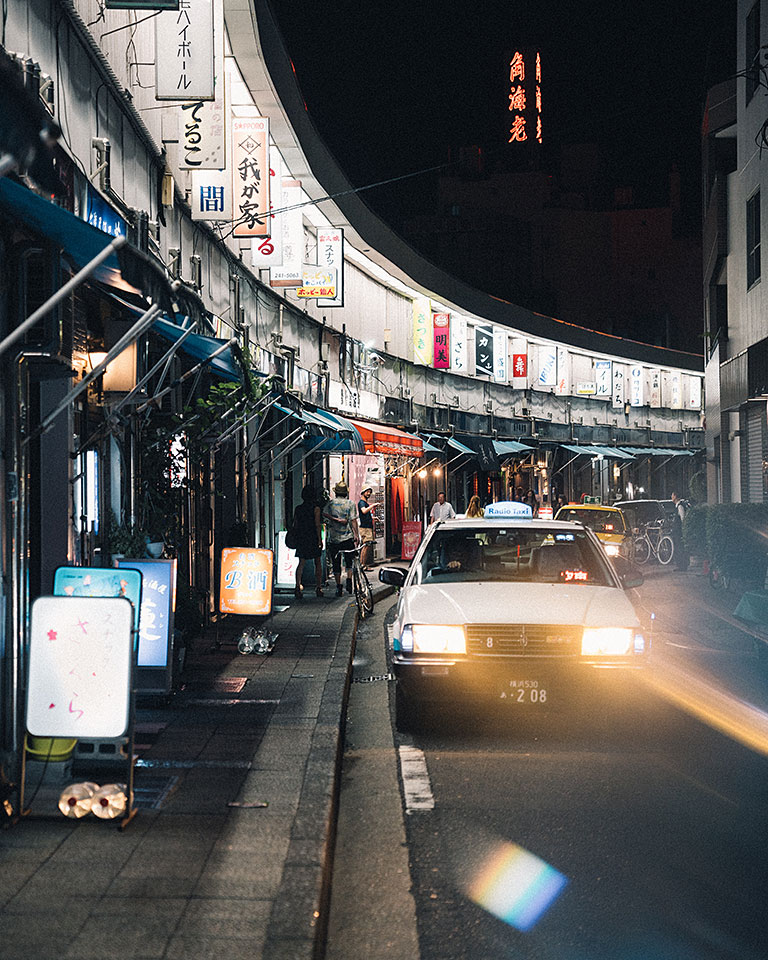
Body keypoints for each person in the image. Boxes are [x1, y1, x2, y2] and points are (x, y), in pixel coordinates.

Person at [323, 481, 360, 597]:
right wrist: (356, 535)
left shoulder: (331, 504)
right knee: (349, 561)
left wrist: (334, 519)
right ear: (346, 493)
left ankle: (339, 586)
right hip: (347, 537)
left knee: (336, 563)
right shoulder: (350, 504)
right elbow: (353, 520)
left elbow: (323, 514)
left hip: (334, 538)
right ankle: (349, 580)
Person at [291, 486, 324, 599]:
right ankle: (318, 587)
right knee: (317, 562)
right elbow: (317, 525)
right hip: (312, 537)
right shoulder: (316, 509)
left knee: (301, 563)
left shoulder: (298, 508)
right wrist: (320, 540)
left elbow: (295, 524)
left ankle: (297, 586)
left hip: (301, 537)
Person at [670, 491, 690, 571]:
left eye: (672, 495)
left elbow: (683, 518)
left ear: (675, 496)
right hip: (678, 531)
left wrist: (683, 529)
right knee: (678, 547)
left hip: (679, 532)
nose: (671, 497)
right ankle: (680, 565)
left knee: (680, 547)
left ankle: (682, 565)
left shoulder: (680, 506)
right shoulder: (678, 506)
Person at [358, 487, 376, 570]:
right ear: (363, 492)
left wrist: (373, 518)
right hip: (365, 528)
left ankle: (363, 564)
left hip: (367, 526)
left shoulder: (364, 502)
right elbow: (364, 511)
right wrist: (372, 506)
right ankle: (363, 564)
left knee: (366, 546)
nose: (369, 493)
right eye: (367, 492)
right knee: (366, 546)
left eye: (370, 492)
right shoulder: (362, 503)